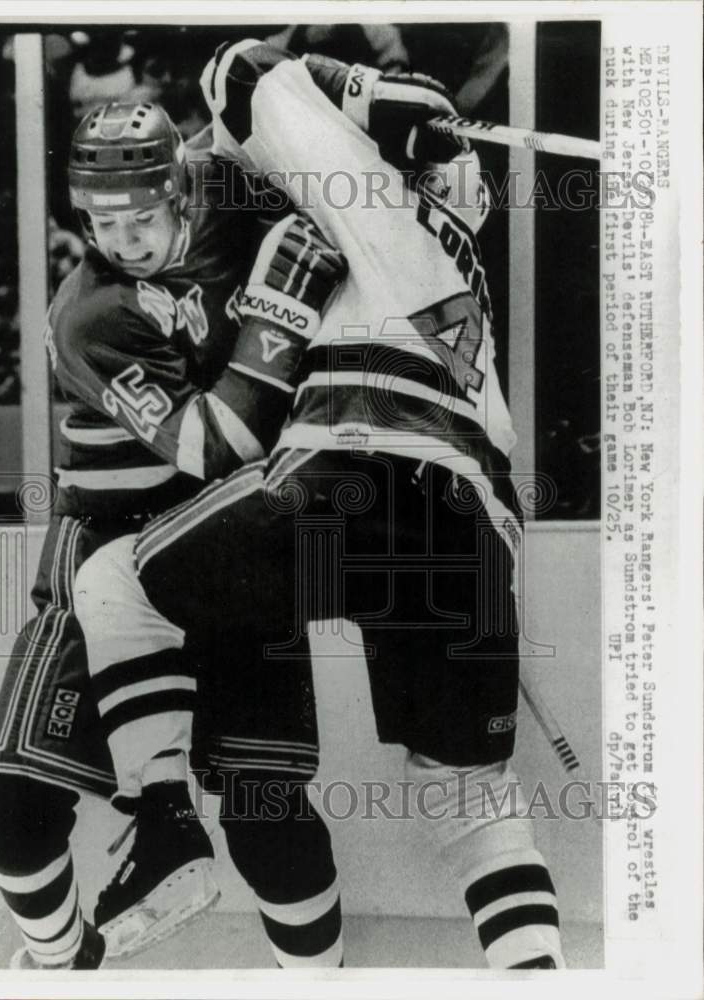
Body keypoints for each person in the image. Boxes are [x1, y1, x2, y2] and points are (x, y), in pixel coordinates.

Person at [75, 40, 565, 969]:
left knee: (114, 584)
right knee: (475, 810)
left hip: (351, 478)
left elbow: (236, 72)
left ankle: (166, 823)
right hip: (476, 530)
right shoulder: (469, 272)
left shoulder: (355, 184)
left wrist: (358, 94)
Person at [0, 100, 348, 969]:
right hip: (111, 537)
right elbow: (219, 445)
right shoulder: (91, 314)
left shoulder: (227, 187)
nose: (127, 237)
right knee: (13, 811)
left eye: (143, 217)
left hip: (230, 540)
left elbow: (281, 106)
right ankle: (68, 965)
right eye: (104, 222)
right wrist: (280, 317)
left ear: (182, 189)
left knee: (269, 815)